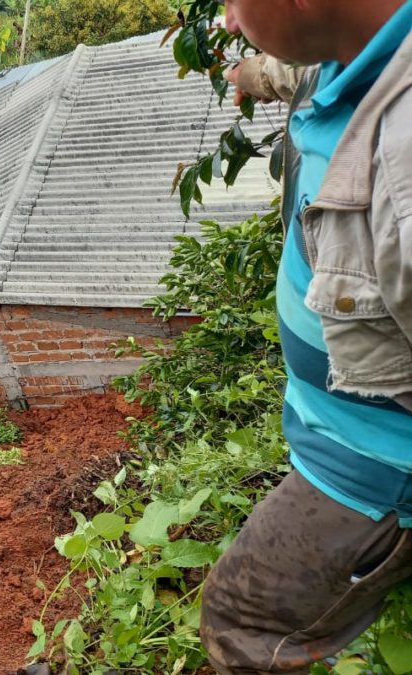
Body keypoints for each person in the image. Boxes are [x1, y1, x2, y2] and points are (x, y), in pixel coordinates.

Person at [199, 1, 412, 673]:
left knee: (239, 623)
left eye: (234, 0)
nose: (229, 20)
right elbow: (303, 76)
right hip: (350, 432)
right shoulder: (359, 54)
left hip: (375, 467)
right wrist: (251, 75)